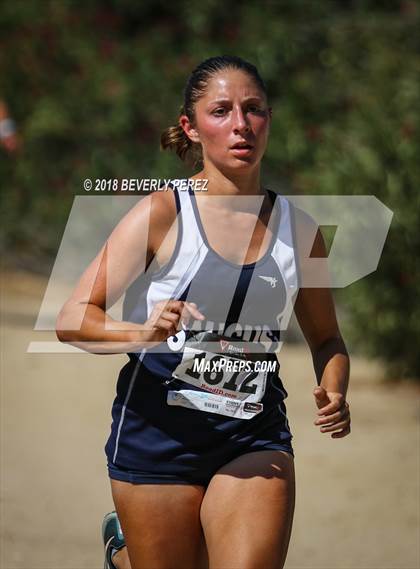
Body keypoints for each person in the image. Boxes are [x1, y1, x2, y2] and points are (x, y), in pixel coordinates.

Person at [56, 55, 351, 569]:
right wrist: (142, 332)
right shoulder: (162, 213)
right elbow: (73, 317)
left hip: (252, 435)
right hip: (157, 434)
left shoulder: (300, 232)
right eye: (221, 111)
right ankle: (123, 554)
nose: (241, 124)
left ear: (269, 119)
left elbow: (327, 338)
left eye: (254, 109)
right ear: (191, 128)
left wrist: (336, 385)